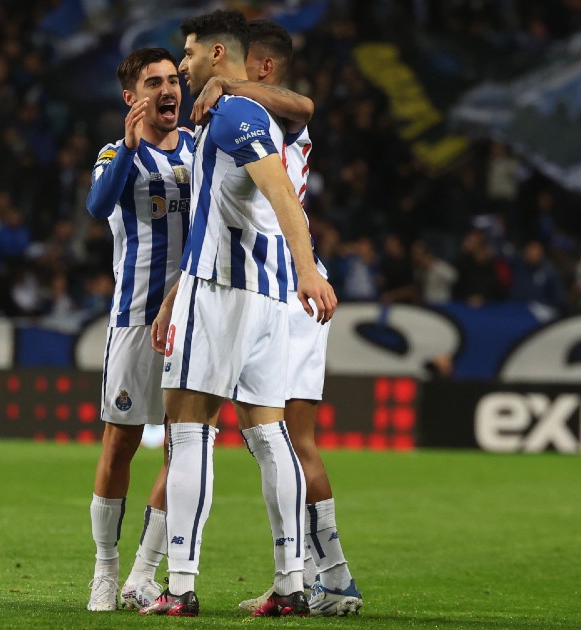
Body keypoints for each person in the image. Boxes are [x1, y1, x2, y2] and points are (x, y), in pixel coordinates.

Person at [139, 10, 337, 617]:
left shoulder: (233, 112)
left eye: (192, 53)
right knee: (269, 435)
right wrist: (174, 300)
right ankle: (291, 582)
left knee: (189, 432)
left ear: (219, 52)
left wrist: (308, 267)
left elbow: (278, 192)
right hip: (261, 297)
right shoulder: (242, 114)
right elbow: (220, 210)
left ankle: (179, 585)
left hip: (224, 290)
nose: (185, 64)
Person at [192, 19, 364, 616]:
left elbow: (304, 101)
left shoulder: (272, 113)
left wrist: (227, 87)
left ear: (261, 68)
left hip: (282, 282)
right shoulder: (254, 117)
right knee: (285, 439)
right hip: (287, 280)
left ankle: (324, 578)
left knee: (275, 437)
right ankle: (315, 577)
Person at [81, 47, 193, 612]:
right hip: (134, 317)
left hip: (195, 320)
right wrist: (126, 149)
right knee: (120, 442)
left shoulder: (201, 149)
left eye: (174, 80)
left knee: (184, 447)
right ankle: (105, 570)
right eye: (155, 82)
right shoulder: (114, 152)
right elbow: (97, 205)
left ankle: (144, 574)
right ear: (132, 98)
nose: (169, 89)